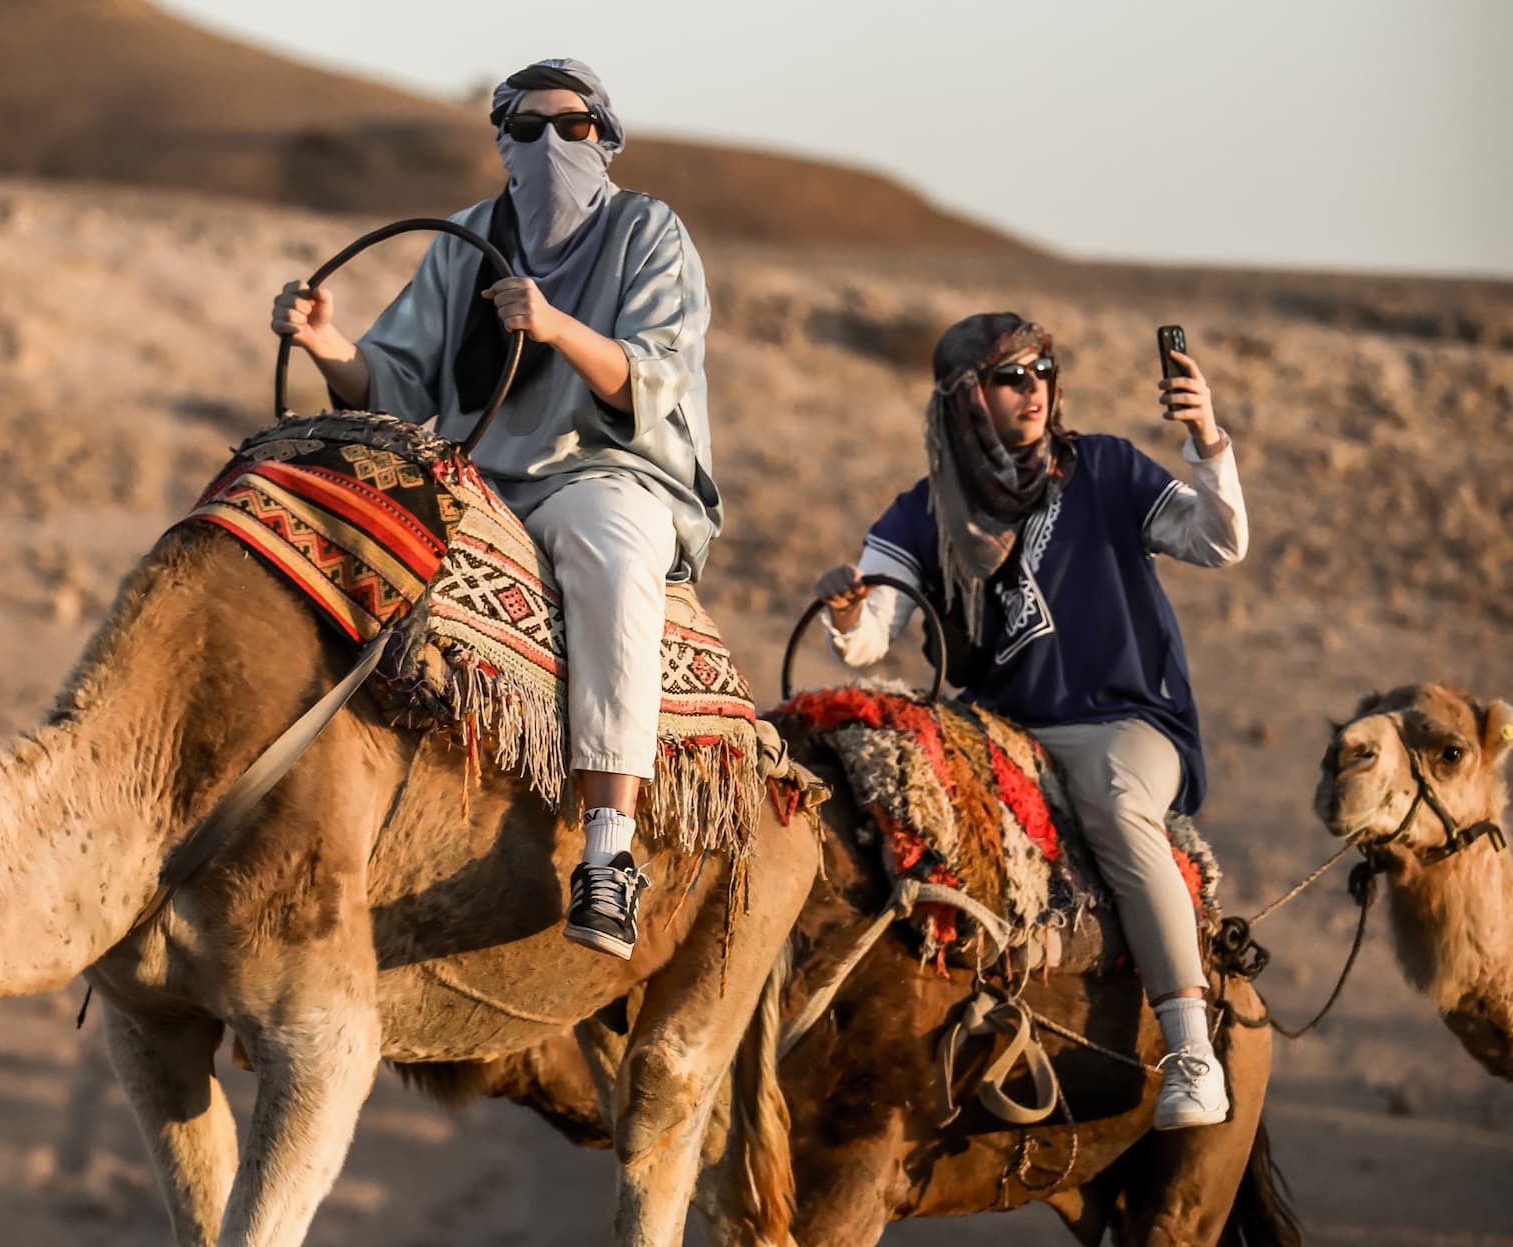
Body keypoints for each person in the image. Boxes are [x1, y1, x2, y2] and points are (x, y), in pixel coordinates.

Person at [270, 57, 717, 961]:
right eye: (526, 127)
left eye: (572, 126)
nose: (550, 144)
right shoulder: (468, 240)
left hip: (608, 470)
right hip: (482, 477)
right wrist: (325, 342)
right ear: (502, 142)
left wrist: (555, 326)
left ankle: (608, 851)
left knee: (610, 556)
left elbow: (651, 376)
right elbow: (396, 385)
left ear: (605, 136)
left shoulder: (647, 230)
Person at [815, 313, 1248, 1129]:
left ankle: (1193, 1052)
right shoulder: (922, 516)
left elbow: (1217, 542)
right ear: (965, 398)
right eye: (1011, 376)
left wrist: (1207, 438)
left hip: (1126, 720)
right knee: (901, 820)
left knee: (1115, 801)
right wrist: (846, 612)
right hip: (1003, 733)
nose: (1035, 389)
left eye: (1043, 371)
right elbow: (872, 634)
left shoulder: (1106, 468)